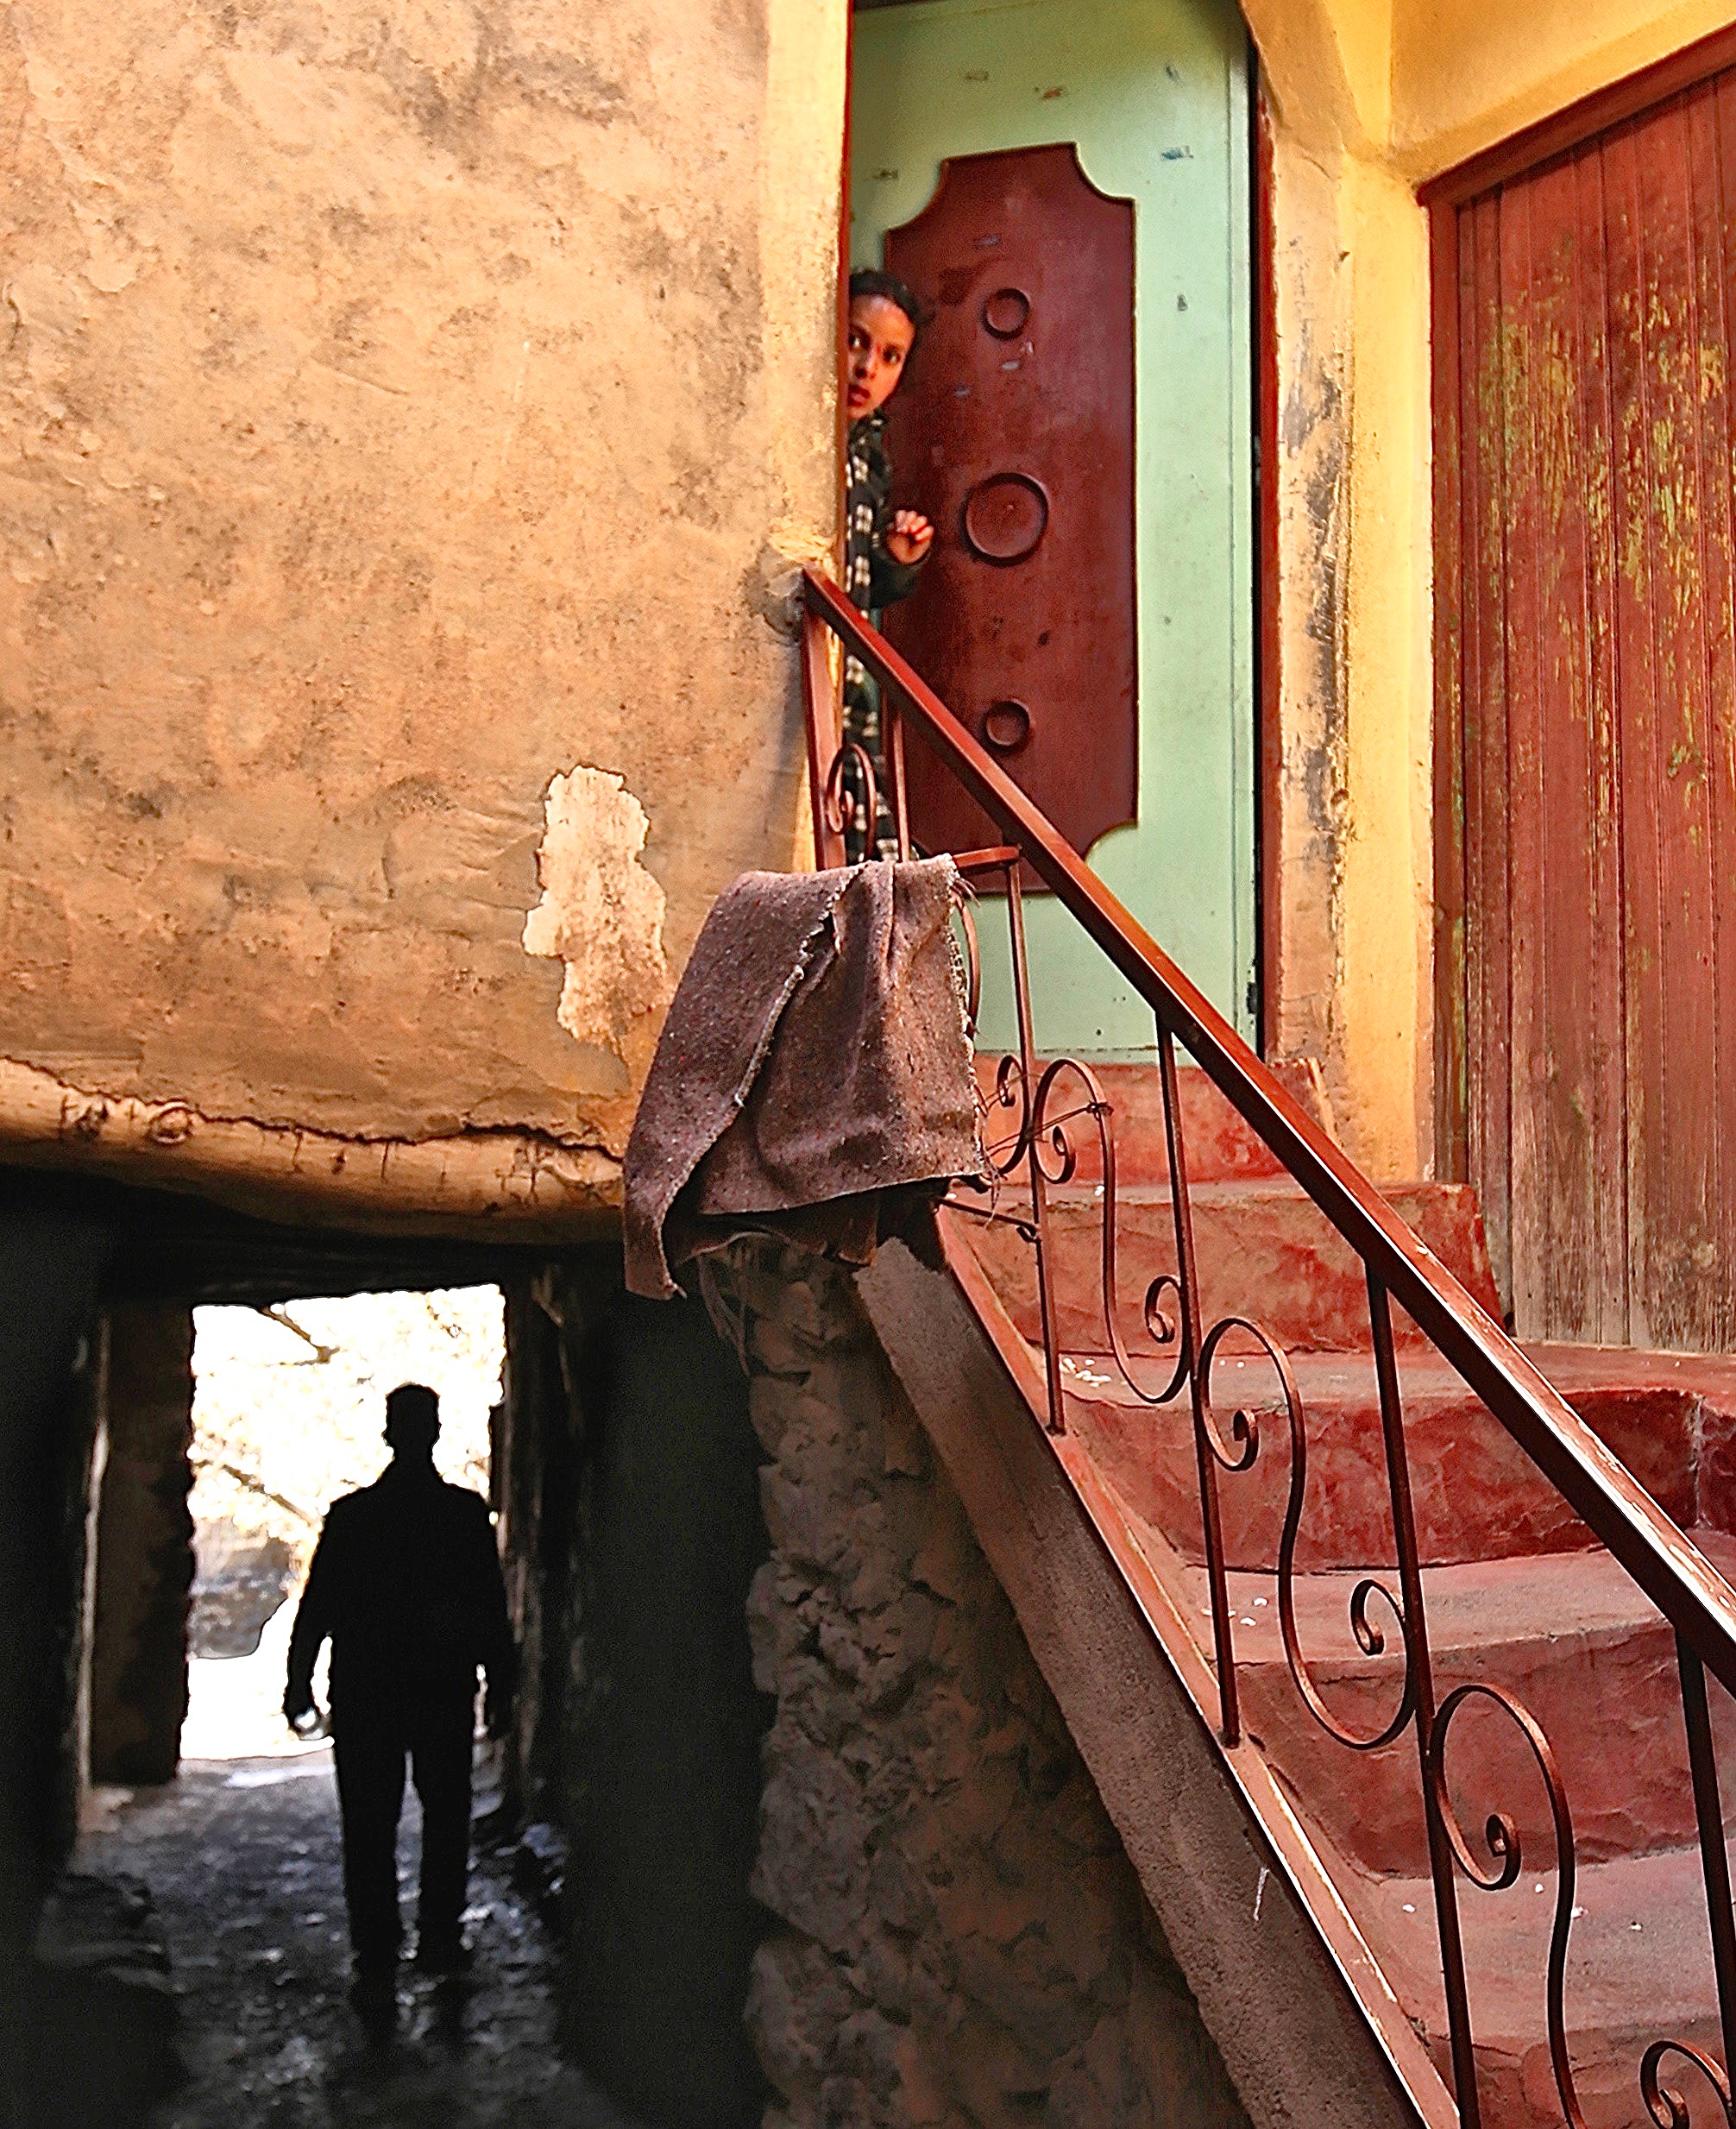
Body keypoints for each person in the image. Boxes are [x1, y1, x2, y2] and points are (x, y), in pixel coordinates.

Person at [284, 1382, 516, 2013]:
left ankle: (376, 1946)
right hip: (440, 1691)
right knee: (445, 1818)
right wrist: (502, 1687)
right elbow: (491, 1613)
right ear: (435, 1431)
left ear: (388, 1432)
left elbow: (318, 1609)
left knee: (369, 1825)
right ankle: (439, 1937)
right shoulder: (465, 1517)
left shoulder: (354, 1518)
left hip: (366, 1694)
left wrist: (299, 1683)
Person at [844, 267, 934, 861]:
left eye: (890, 355)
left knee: (871, 853)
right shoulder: (804, 442)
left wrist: (896, 562)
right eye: (854, 339)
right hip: (802, 679)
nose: (867, 368)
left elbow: (859, 581)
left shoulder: (871, 462)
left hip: (848, 686)